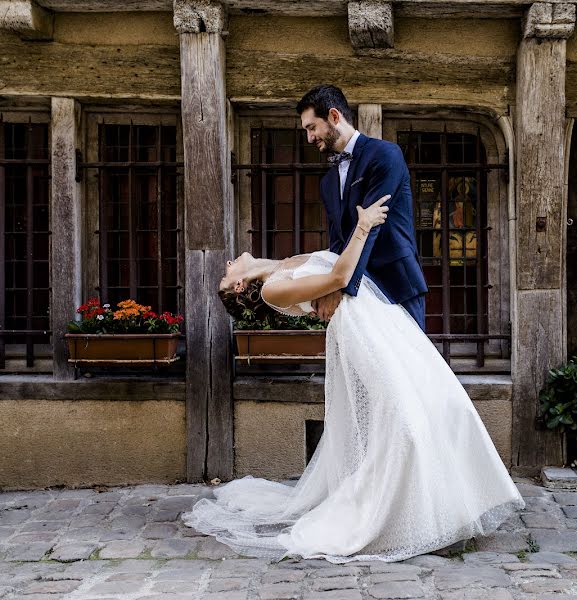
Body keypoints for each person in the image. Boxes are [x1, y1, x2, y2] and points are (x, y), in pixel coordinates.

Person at [181, 200, 524, 564]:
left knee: (447, 402)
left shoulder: (282, 266)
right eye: (226, 274)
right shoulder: (271, 291)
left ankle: (455, 505)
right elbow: (339, 278)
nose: (227, 263)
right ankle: (396, 519)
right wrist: (364, 225)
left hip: (383, 321)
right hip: (362, 334)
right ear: (238, 287)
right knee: (405, 420)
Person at [296, 84, 428, 330]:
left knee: (410, 367)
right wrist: (330, 284)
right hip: (357, 288)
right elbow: (337, 241)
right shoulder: (327, 183)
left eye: (312, 127)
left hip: (396, 285)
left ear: (334, 116)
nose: (309, 138)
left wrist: (341, 287)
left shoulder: (385, 154)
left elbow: (371, 225)